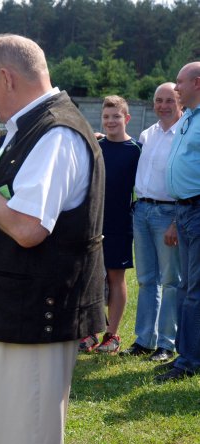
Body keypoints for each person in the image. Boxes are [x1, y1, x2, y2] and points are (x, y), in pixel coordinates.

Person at [0, 34, 105, 444]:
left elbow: (27, 227)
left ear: (7, 77)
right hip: (10, 316)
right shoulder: (31, 127)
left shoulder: (55, 132)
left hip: (34, 321)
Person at [120, 83, 182, 362]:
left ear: (180, 102)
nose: (163, 105)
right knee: (146, 280)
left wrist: (177, 221)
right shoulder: (148, 134)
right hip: (142, 211)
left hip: (169, 214)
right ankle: (145, 340)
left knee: (171, 281)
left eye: (169, 100)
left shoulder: (185, 134)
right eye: (159, 100)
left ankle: (167, 343)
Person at [80, 96, 141, 354]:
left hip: (119, 223)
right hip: (93, 222)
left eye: (116, 116)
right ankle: (90, 332)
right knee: (90, 277)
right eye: (106, 117)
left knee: (116, 277)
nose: (110, 121)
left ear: (126, 118)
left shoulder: (136, 150)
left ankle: (112, 335)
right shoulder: (96, 146)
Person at [157, 61, 200, 382]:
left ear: (197, 83)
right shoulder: (189, 118)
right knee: (187, 286)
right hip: (184, 211)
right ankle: (186, 352)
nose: (176, 88)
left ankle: (188, 360)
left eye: (179, 83)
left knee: (194, 289)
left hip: (198, 210)